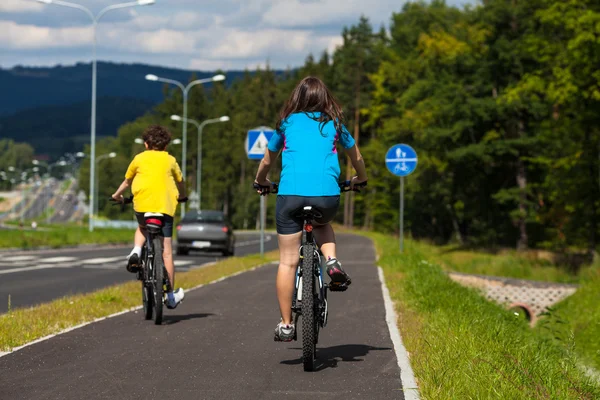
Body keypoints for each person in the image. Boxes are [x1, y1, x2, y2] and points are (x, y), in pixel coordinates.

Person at [254, 76, 368, 342]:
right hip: (326, 195)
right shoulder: (336, 123)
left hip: (290, 196)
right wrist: (360, 179)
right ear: (325, 98)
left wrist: (261, 181)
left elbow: (267, 159)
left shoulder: (286, 123)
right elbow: (356, 156)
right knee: (321, 223)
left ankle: (286, 325)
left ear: (298, 98)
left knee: (287, 261)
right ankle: (332, 261)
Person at [112, 125, 187, 309]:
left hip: (143, 206)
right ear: (166, 145)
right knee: (167, 251)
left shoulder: (139, 159)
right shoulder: (170, 160)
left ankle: (136, 251)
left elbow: (127, 181)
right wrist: (183, 196)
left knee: (142, 228)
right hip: (165, 208)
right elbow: (180, 181)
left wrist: (117, 196)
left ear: (146, 144)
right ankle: (170, 296)